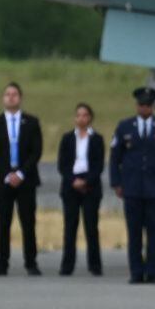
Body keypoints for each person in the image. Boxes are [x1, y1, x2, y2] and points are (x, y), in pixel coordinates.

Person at [109, 87, 155, 284]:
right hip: (133, 188)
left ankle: (153, 272)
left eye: (148, 105)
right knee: (135, 233)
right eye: (141, 105)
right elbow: (115, 157)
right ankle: (136, 272)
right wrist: (116, 182)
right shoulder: (125, 127)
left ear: (153, 107)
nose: (144, 108)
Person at [0, 82, 43, 276]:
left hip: (25, 180)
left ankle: (31, 262)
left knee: (28, 222)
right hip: (3, 180)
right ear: (3, 98)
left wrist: (20, 173)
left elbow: (36, 151)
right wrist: (7, 174)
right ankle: (2, 262)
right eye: (7, 94)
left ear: (20, 98)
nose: (11, 97)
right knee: (3, 223)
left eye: (15, 94)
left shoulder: (32, 122)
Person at [58, 102, 104, 276]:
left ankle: (95, 265)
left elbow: (98, 165)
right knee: (70, 227)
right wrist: (73, 180)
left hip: (90, 186)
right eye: (78, 115)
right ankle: (67, 265)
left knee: (91, 226)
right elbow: (62, 164)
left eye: (85, 115)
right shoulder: (67, 138)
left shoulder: (97, 139)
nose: (81, 118)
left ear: (90, 117)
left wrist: (86, 181)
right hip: (71, 185)